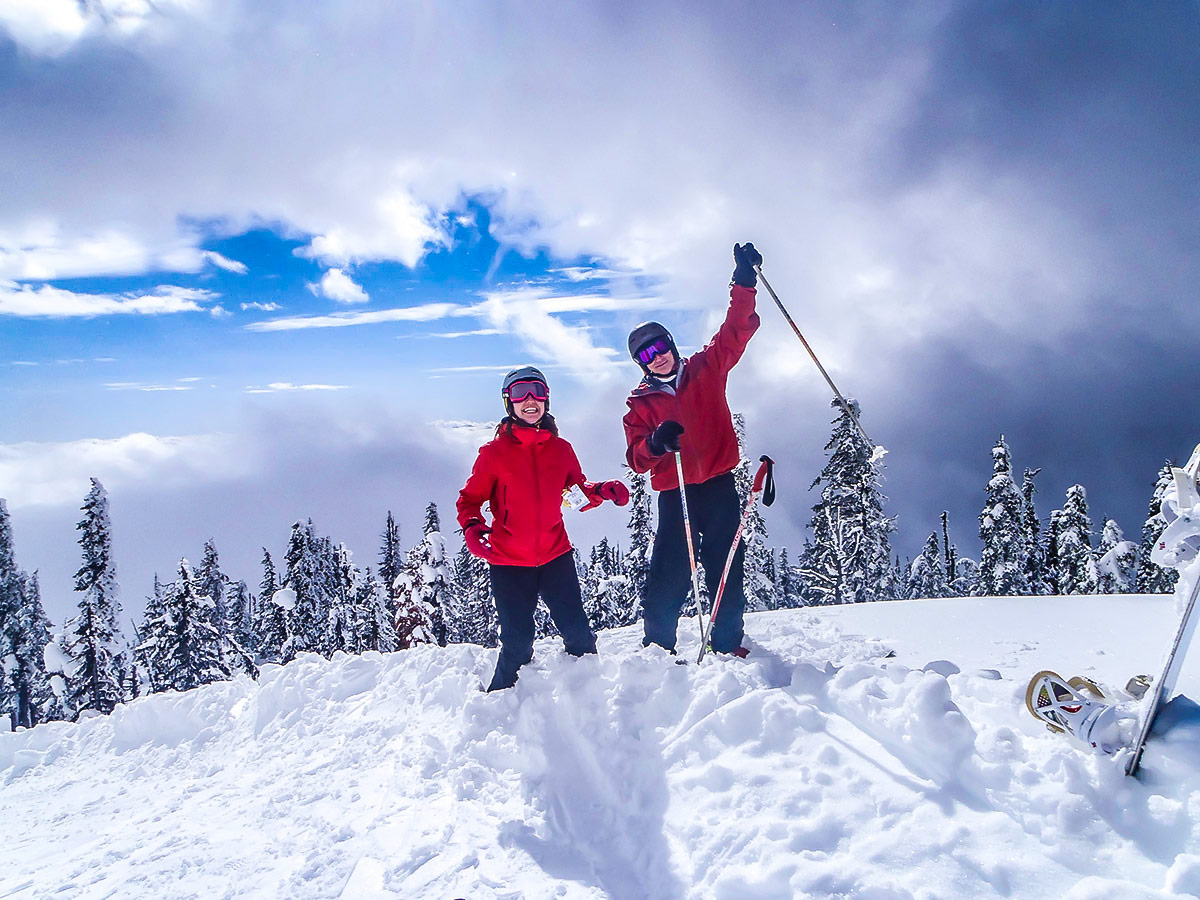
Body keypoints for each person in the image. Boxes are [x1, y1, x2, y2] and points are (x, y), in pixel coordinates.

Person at [623, 242, 762, 657]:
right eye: (647, 355)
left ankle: (726, 645)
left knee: (726, 567)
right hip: (676, 493)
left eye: (660, 347)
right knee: (670, 572)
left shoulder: (706, 367)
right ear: (641, 364)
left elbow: (735, 331)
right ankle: (657, 649)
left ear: (671, 345)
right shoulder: (640, 406)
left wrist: (743, 281)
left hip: (719, 486)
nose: (658, 357)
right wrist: (654, 443)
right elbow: (635, 458)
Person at [457, 366, 630, 691]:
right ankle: (499, 703)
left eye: (537, 391)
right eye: (521, 393)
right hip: (509, 562)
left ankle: (587, 696)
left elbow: (575, 491)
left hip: (555, 556)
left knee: (579, 634)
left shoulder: (561, 450)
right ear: (509, 402)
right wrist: (472, 529)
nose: (530, 400)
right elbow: (468, 500)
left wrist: (602, 490)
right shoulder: (493, 455)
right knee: (518, 644)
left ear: (547, 398)